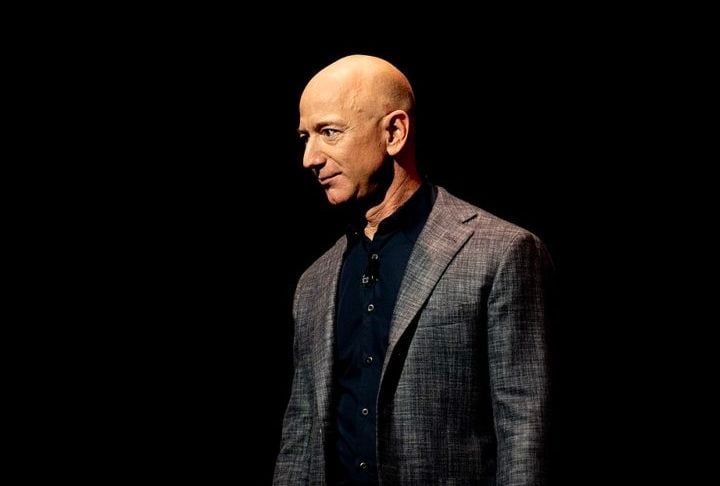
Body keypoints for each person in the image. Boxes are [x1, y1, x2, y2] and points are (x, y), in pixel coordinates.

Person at [274, 54, 553, 486]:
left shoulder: (500, 253)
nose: (310, 157)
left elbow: (525, 429)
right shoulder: (314, 282)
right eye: (304, 137)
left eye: (329, 132)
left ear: (394, 132)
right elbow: (300, 435)